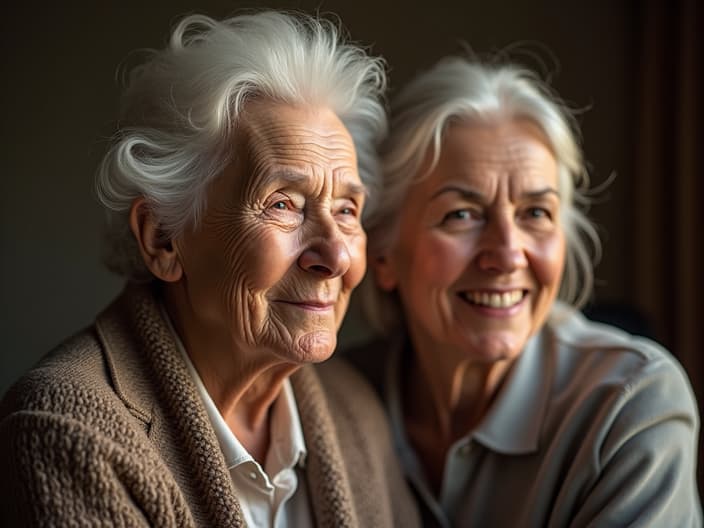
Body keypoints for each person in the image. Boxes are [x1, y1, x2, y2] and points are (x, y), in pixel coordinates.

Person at [0, 12, 421, 527]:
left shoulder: (354, 410)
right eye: (284, 204)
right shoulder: (67, 430)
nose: (336, 257)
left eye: (347, 210)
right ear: (162, 238)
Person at [348, 55, 702, 526]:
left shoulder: (630, 403)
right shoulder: (332, 400)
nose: (508, 254)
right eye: (462, 214)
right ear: (383, 252)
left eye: (535, 213)